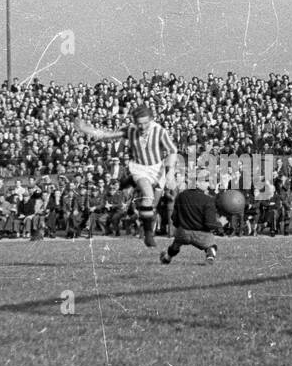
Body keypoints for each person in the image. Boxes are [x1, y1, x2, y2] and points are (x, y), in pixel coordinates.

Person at [77, 105, 178, 248]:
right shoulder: (130, 130)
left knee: (151, 206)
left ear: (151, 120)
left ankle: (145, 224)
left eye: (145, 123)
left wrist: (170, 172)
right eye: (139, 124)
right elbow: (107, 134)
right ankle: (148, 234)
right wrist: (87, 129)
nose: (142, 127)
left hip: (157, 168)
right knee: (147, 196)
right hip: (139, 168)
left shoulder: (160, 131)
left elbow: (172, 150)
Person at [160, 183, 222, 265]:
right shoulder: (208, 200)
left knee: (176, 244)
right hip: (200, 234)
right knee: (212, 245)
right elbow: (209, 224)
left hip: (183, 232)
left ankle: (167, 258)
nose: (208, 184)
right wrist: (219, 225)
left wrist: (179, 228)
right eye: (206, 181)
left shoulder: (181, 196)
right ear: (197, 183)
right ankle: (210, 258)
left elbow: (174, 217)